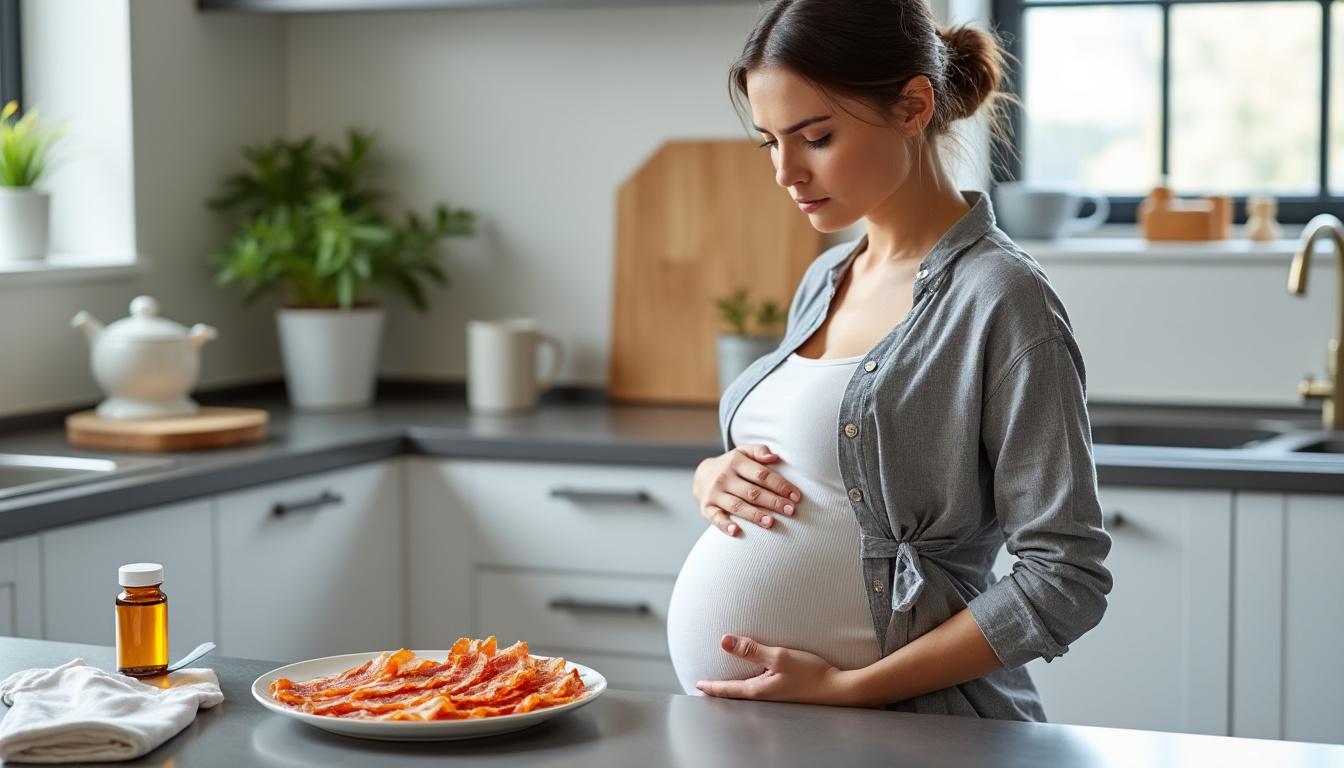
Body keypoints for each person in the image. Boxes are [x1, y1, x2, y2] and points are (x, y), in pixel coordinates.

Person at [663, 0, 1114, 721]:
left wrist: (849, 690)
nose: (785, 172)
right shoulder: (827, 278)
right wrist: (713, 475)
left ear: (912, 106)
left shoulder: (1002, 298)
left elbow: (1066, 577)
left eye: (815, 137)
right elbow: (820, 476)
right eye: (768, 143)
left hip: (907, 732)